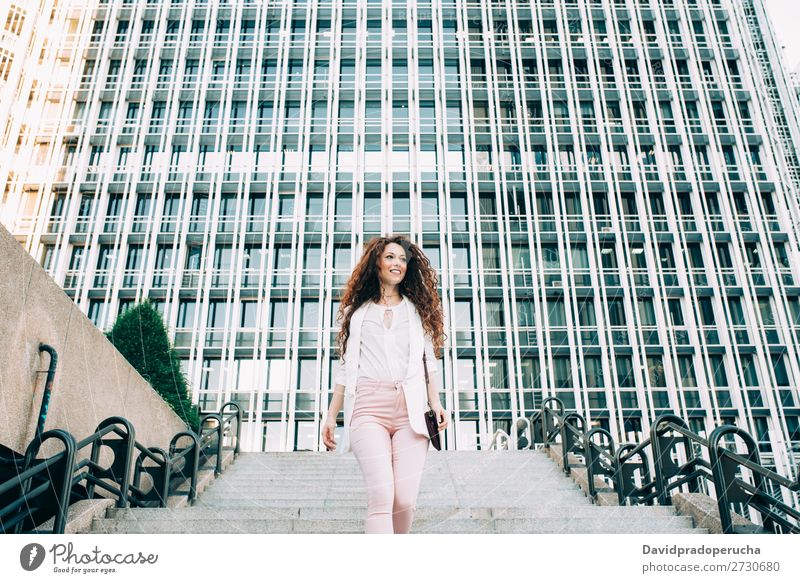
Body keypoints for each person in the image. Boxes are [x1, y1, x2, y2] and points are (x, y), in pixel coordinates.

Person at [322, 235, 448, 534]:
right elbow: (346, 368)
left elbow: (429, 362)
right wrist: (331, 416)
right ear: (376, 262)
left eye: (403, 259)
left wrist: (436, 403)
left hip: (410, 411)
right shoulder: (358, 313)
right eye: (390, 257)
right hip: (368, 407)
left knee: (404, 499)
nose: (397, 263)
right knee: (381, 496)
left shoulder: (418, 311)